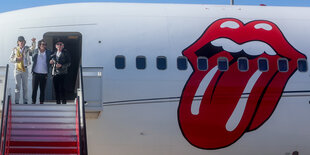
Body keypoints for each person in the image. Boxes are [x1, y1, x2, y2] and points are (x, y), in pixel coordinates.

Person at [9, 36, 36, 104]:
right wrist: (17, 59)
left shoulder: (26, 48)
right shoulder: (15, 49)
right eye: (20, 41)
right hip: (17, 69)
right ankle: (17, 101)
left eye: (22, 41)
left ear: (24, 42)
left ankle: (25, 101)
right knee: (17, 86)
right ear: (18, 42)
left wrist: (33, 42)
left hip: (25, 69)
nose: (21, 42)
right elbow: (10, 59)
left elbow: (32, 48)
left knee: (25, 87)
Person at [31, 39, 52, 104]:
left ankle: (41, 102)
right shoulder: (35, 51)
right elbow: (31, 56)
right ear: (39, 45)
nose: (44, 46)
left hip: (44, 74)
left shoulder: (48, 52)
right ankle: (33, 102)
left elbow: (53, 57)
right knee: (34, 89)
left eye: (45, 44)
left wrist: (52, 61)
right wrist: (33, 42)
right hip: (35, 73)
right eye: (42, 44)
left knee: (42, 90)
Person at [50, 40, 71, 104]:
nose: (59, 45)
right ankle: (58, 101)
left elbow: (69, 63)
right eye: (58, 44)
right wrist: (50, 62)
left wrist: (61, 65)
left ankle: (64, 101)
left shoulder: (66, 53)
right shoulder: (53, 53)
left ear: (63, 46)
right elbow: (50, 61)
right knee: (56, 89)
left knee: (63, 88)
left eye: (61, 44)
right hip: (55, 73)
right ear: (56, 46)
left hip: (63, 73)